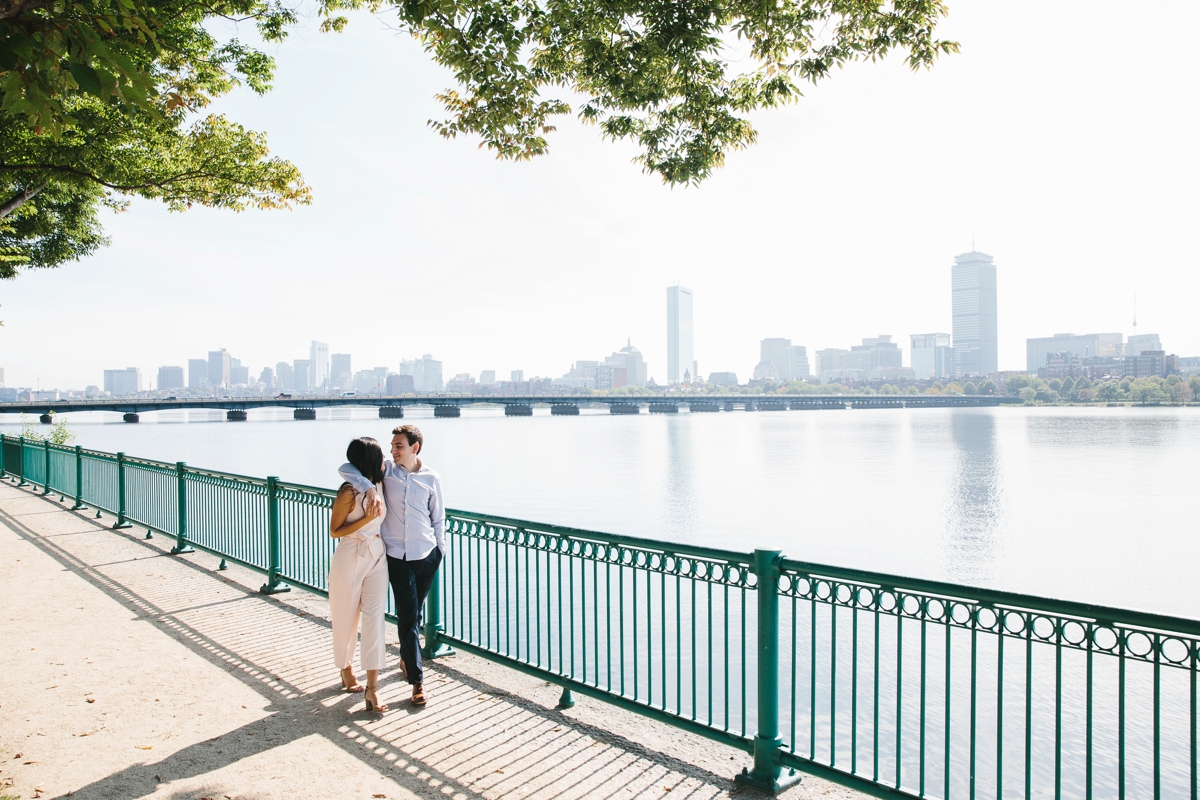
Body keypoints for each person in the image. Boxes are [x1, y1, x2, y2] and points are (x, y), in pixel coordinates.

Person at [339, 424, 445, 706]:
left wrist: (440, 551)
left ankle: (406, 659)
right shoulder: (386, 471)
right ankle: (417, 682)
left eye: (398, 445)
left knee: (415, 615)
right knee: (408, 617)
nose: (392, 450)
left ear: (414, 447)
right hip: (397, 556)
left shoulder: (432, 478)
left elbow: (438, 518)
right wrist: (367, 489)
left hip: (427, 555)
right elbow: (347, 468)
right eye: (392, 445)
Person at [328, 437, 390, 713]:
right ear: (369, 460)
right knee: (345, 616)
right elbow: (335, 530)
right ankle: (345, 667)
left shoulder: (379, 483)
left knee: (375, 619)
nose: (384, 458)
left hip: (377, 553)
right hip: (351, 553)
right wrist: (366, 518)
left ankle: (372, 688)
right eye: (380, 455)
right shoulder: (348, 491)